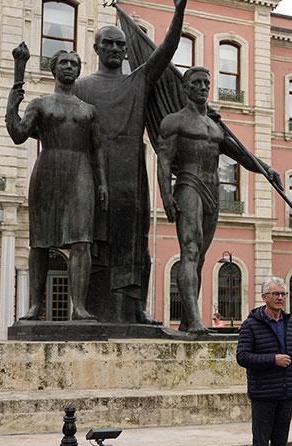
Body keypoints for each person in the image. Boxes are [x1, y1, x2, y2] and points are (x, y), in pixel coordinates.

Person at [73, 0, 187, 324]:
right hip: (95, 170)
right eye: (107, 43)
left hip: (131, 169)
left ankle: (134, 308)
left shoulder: (136, 80)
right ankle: (89, 308)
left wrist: (179, 12)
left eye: (119, 44)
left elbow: (166, 50)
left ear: (126, 51)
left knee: (136, 243)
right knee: (95, 241)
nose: (113, 48)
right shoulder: (80, 87)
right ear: (96, 48)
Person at [157, 66, 281, 332]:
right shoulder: (174, 121)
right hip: (189, 185)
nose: (203, 87)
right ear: (185, 87)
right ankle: (196, 320)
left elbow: (240, 156)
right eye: (197, 83)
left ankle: (186, 322)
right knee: (189, 251)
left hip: (213, 191)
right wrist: (166, 195)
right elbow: (164, 161)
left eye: (206, 83)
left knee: (200, 257)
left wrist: (266, 169)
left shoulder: (215, 126)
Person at [7, 48, 107, 321]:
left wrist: (102, 183)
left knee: (82, 242)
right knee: (39, 243)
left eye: (74, 64)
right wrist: (11, 104)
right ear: (54, 69)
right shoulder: (40, 104)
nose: (69, 67)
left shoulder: (89, 110)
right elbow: (18, 134)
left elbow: (97, 149)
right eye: (63, 62)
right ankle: (35, 306)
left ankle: (79, 306)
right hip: (48, 171)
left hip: (81, 173)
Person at [236, 277, 292, 446]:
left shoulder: (290, 323)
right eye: (276, 294)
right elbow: (242, 357)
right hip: (263, 394)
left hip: (286, 393)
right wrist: (272, 359)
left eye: (283, 294)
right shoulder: (251, 324)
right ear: (264, 297)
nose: (280, 298)